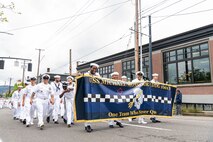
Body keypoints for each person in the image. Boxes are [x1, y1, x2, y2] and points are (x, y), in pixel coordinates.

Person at [84, 63, 100, 132]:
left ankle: (88, 125)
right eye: (93, 68)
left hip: (94, 95)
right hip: (87, 94)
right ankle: (87, 125)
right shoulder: (86, 74)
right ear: (90, 68)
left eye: (96, 69)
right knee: (88, 110)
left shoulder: (97, 75)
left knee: (92, 110)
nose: (94, 70)